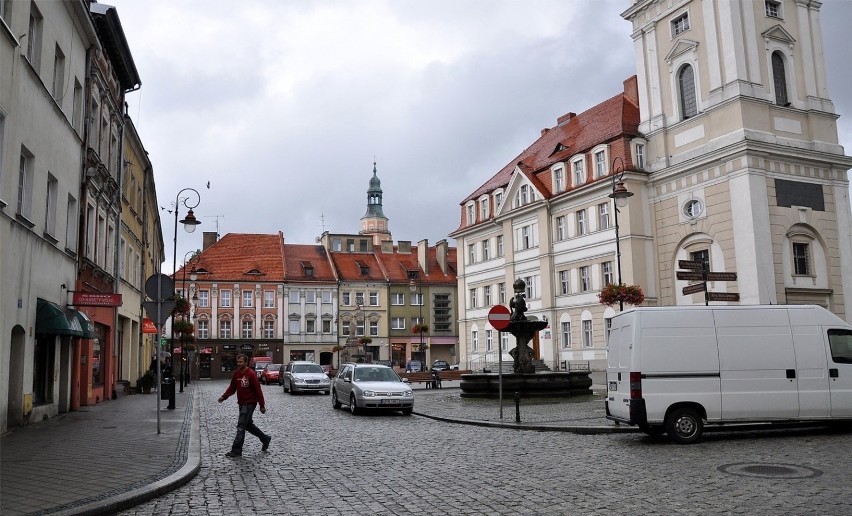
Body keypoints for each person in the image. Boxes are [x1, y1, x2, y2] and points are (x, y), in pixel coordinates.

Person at [218, 353, 271, 458]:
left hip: (250, 403)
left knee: (241, 426)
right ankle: (265, 438)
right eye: (237, 362)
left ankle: (236, 450)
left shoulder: (251, 374)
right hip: (242, 403)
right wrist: (224, 397)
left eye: (241, 362)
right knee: (248, 425)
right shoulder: (237, 373)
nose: (239, 363)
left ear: (246, 362)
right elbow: (232, 387)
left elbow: (258, 390)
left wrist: (262, 405)